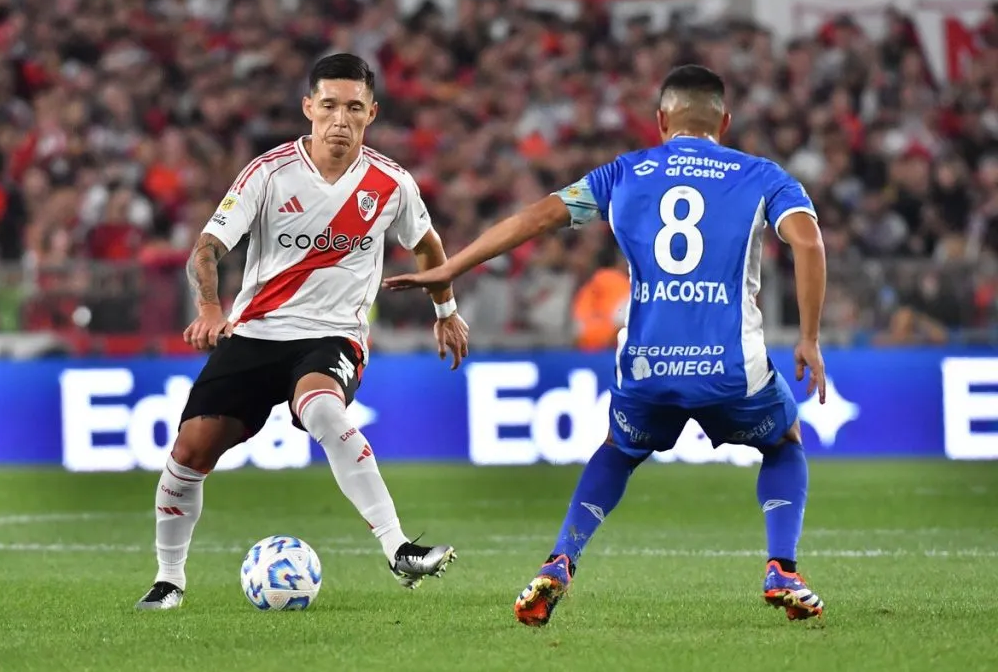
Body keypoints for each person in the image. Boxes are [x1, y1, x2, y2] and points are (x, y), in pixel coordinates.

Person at [385, 65, 827, 626]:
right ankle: (781, 568)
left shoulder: (625, 172)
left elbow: (535, 219)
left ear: (661, 120)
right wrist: (809, 337)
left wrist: (450, 267)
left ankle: (559, 561)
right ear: (726, 121)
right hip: (730, 366)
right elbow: (808, 241)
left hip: (647, 365)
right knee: (784, 442)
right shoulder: (763, 175)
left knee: (620, 449)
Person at [136, 53, 469, 610]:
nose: (341, 119)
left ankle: (399, 549)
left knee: (323, 409)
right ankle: (169, 579)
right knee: (189, 451)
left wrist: (446, 310)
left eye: (354, 108)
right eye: (331, 106)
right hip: (256, 332)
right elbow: (208, 248)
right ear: (309, 107)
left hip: (332, 335)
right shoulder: (268, 174)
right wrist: (212, 309)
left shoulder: (391, 184)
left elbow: (430, 246)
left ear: (372, 113)